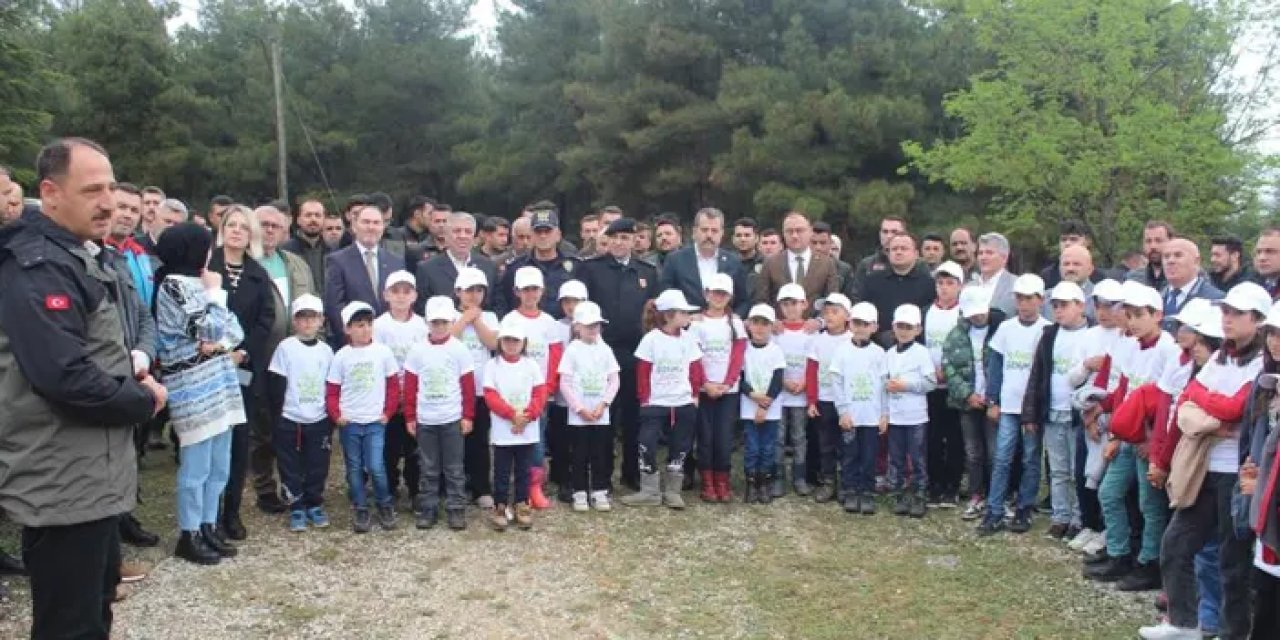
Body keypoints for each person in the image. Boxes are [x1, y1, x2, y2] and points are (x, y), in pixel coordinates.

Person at [0, 138, 166, 638]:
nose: (109, 202)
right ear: (50, 193)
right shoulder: (36, 264)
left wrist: (128, 375)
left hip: (91, 477)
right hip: (61, 480)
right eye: (92, 189)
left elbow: (87, 352)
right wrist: (142, 400)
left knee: (95, 611)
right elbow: (63, 376)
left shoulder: (71, 251)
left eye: (112, 187)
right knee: (69, 624)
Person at [1140, 282, 1270, 640]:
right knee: (1176, 544)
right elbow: (1188, 399)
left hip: (1237, 471)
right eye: (1225, 311)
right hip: (1206, 467)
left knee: (1233, 561)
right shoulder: (1219, 355)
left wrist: (1211, 408)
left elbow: (1238, 407)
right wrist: (1217, 416)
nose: (1226, 319)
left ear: (1257, 320)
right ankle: (1184, 623)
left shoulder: (1262, 362)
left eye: (1235, 313)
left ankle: (1233, 632)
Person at [153, 222, 244, 565]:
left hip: (220, 381)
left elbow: (234, 331)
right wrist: (216, 295)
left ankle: (209, 524)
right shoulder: (174, 286)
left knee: (220, 463)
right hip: (192, 388)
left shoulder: (201, 282)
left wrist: (215, 343)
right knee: (196, 466)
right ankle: (188, 532)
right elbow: (209, 326)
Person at [1086, 282, 1178, 583]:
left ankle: (1150, 562)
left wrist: (1153, 442)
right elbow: (1125, 392)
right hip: (1129, 435)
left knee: (1149, 504)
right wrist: (1115, 434)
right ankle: (1119, 553)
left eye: (1140, 314)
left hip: (1147, 439)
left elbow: (1167, 400)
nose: (1133, 320)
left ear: (1157, 315)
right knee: (1109, 493)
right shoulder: (1131, 344)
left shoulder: (1168, 350)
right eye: (1130, 314)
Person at [207, 205, 276, 539]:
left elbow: (266, 319)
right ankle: (208, 514)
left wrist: (243, 351)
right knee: (210, 441)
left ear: (252, 234)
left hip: (243, 369)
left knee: (238, 441)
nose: (236, 231)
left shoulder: (257, 273)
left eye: (243, 227)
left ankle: (231, 512)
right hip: (206, 367)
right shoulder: (206, 267)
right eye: (230, 225)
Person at [579, 218, 660, 490]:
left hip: (636, 353)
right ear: (607, 240)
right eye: (614, 238)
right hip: (602, 352)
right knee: (605, 417)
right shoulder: (591, 269)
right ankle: (602, 475)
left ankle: (631, 472)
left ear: (634, 241)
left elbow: (654, 313)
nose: (619, 242)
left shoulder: (647, 272)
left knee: (635, 417)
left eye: (625, 238)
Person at [977, 274, 1051, 535]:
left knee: (1031, 458)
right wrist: (993, 400)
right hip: (1008, 404)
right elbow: (995, 366)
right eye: (1020, 298)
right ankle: (994, 509)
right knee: (1001, 457)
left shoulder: (1047, 330)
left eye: (1029, 298)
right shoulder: (1007, 328)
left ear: (1040, 300)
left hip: (1031, 408)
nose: (1024, 304)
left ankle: (1024, 507)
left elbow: (1044, 374)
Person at [254, 203, 315, 513]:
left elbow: (310, 305)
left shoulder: (295, 264)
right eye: (263, 224)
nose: (269, 230)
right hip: (260, 357)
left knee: (291, 421)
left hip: (297, 357)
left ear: (285, 230)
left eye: (275, 226)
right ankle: (264, 486)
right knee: (262, 424)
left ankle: (294, 482)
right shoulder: (244, 263)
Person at [1020, 281, 1091, 540]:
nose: (1059, 311)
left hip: (1077, 413)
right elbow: (1037, 374)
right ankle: (1060, 516)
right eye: (1056, 306)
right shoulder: (1049, 335)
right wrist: (1030, 412)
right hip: (1052, 410)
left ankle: (1078, 516)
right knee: (1057, 469)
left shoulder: (1091, 333)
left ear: (1080, 306)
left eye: (1064, 306)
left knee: (1077, 469)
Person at [622, 290, 705, 509]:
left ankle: (672, 491)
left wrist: (695, 395)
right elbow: (643, 371)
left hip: (683, 403)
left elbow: (695, 368)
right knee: (646, 444)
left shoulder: (689, 339)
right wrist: (645, 399)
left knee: (680, 445)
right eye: (684, 312)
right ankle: (649, 490)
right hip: (656, 403)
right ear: (669, 315)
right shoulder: (651, 340)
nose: (688, 316)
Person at [326, 302, 401, 533]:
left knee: (376, 465)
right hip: (350, 422)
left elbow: (392, 386)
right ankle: (360, 507)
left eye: (368, 325)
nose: (365, 330)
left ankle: (384, 503)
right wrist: (336, 415)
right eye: (359, 325)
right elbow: (332, 389)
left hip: (375, 421)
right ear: (347, 329)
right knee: (354, 468)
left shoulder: (383, 352)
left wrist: (388, 413)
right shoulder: (341, 356)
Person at [403, 296, 476, 531]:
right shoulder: (417, 351)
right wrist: (410, 417)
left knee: (454, 468)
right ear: (427, 323)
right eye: (435, 322)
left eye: (444, 322)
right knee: (428, 466)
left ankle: (456, 508)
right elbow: (411, 387)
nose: (440, 327)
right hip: (426, 419)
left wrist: (468, 416)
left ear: (451, 321)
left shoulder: (459, 349)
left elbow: (467, 387)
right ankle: (428, 507)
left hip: (451, 418)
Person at [265, 294, 335, 533]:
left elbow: (332, 384)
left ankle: (314, 503)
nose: (307, 323)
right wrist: (278, 417)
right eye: (302, 318)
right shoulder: (285, 348)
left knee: (318, 464)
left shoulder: (326, 351)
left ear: (321, 320)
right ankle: (295, 504)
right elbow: (276, 384)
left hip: (318, 417)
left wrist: (330, 416)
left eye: (312, 318)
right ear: (294, 321)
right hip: (290, 417)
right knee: (289, 464)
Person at [499, 266, 564, 510]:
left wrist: (548, 388)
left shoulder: (549, 323)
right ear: (517, 291)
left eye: (534, 289)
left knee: (535, 440)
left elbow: (555, 356)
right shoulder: (510, 320)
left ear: (542, 291)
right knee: (511, 438)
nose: (530, 294)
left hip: (540, 395)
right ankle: (512, 484)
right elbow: (501, 356)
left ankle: (533, 486)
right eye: (525, 289)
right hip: (513, 395)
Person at [943, 286, 1006, 520]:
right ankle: (976, 494)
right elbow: (949, 366)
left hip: (992, 402)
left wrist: (994, 398)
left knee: (994, 452)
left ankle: (996, 495)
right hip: (968, 402)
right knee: (973, 452)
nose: (978, 316)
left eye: (981, 311)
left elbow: (1004, 368)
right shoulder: (957, 334)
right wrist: (967, 394)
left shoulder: (1001, 329)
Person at [484, 317, 549, 531]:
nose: (511, 344)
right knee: (501, 471)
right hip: (504, 430)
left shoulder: (531, 365)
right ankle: (500, 505)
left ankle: (522, 503)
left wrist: (528, 416)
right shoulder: (492, 366)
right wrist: (512, 415)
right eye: (507, 340)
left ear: (524, 343)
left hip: (527, 429)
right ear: (500, 341)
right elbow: (490, 396)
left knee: (524, 470)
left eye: (516, 340)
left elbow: (540, 393)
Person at [558, 301, 621, 512]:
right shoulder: (572, 351)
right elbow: (564, 383)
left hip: (600, 414)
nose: (593, 329)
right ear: (577, 327)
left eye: (597, 325)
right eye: (588, 325)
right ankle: (579, 491)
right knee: (579, 454)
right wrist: (579, 408)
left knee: (600, 453)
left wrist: (604, 404)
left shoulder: (606, 350)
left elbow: (614, 380)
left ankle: (599, 490)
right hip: (579, 417)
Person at [690, 273, 747, 503]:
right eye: (714, 292)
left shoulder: (735, 323)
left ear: (730, 296)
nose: (718, 297)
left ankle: (722, 480)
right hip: (704, 390)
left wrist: (727, 383)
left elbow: (738, 355)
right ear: (706, 294)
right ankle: (707, 480)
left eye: (723, 294)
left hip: (727, 391)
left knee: (723, 437)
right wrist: (705, 383)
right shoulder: (696, 323)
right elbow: (694, 357)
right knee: (705, 437)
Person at [373, 270, 427, 510]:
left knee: (415, 448)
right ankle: (390, 489)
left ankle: (416, 489)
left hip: (415, 399)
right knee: (389, 449)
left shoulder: (422, 325)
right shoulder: (378, 326)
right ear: (386, 295)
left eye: (407, 291)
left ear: (415, 295)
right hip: (388, 399)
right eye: (396, 291)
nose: (401, 297)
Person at [829, 302, 889, 514]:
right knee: (850, 454)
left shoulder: (879, 353)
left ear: (874, 327)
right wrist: (842, 411)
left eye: (866, 324)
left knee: (869, 455)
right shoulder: (842, 351)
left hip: (871, 416)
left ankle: (867, 491)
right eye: (857, 322)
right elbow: (836, 383)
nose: (861, 327)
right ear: (850, 324)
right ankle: (850, 489)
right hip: (851, 416)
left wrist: (884, 414)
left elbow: (884, 385)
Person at [323, 205, 407, 348]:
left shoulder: (396, 262)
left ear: (383, 227)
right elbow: (335, 307)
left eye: (376, 223)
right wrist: (353, 337)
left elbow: (403, 303)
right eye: (366, 222)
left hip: (390, 344)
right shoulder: (337, 261)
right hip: (354, 344)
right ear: (354, 226)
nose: (371, 227)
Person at [451, 267, 500, 509]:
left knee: (480, 440)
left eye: (479, 290)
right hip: (453, 391)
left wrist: (477, 319)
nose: (473, 295)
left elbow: (493, 343)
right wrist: (464, 319)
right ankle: (455, 485)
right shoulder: (447, 314)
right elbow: (445, 338)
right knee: (454, 441)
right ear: (458, 292)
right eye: (469, 290)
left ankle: (481, 487)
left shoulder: (489, 317)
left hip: (480, 388)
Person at [883, 304, 936, 518]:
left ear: (917, 330)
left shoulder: (921, 353)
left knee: (917, 457)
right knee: (896, 457)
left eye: (908, 327)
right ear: (893, 328)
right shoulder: (889, 354)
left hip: (915, 416)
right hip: (895, 416)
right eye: (900, 326)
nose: (903, 331)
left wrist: (906, 385)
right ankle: (898, 492)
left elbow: (930, 382)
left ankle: (919, 493)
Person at [806, 294, 856, 503]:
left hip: (848, 402)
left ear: (847, 316)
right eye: (826, 312)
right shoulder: (818, 340)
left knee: (848, 444)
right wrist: (811, 400)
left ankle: (847, 483)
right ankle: (828, 482)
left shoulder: (852, 340)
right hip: (825, 399)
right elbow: (811, 371)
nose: (829, 316)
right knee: (825, 444)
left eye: (835, 312)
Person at [923, 262, 965, 507]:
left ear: (960, 286)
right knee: (933, 438)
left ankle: (952, 485)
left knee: (955, 438)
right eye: (940, 283)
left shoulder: (963, 314)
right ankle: (934, 484)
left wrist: (951, 374)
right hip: (931, 386)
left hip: (955, 387)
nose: (945, 288)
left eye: (950, 283)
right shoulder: (926, 311)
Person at [660, 208, 751, 317]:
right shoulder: (675, 260)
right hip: (686, 328)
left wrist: (734, 318)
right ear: (694, 232)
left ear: (722, 233)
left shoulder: (734, 262)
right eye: (704, 230)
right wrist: (685, 318)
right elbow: (665, 297)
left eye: (714, 231)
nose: (709, 235)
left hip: (723, 329)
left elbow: (743, 301)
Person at [739, 304, 786, 504]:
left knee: (768, 447)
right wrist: (752, 395)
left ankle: (764, 482)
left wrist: (764, 405)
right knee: (752, 447)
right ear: (748, 325)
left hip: (770, 409)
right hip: (749, 406)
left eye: (764, 324)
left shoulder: (776, 350)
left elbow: (777, 380)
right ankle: (751, 483)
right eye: (755, 323)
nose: (759, 328)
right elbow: (739, 378)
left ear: (771, 326)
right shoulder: (744, 350)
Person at [496, 208, 579, 318]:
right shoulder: (516, 268)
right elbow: (504, 304)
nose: (543, 236)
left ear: (558, 235)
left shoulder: (576, 267)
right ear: (532, 235)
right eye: (538, 231)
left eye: (547, 231)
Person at [772, 283, 814, 497]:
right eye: (785, 304)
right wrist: (783, 382)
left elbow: (814, 362)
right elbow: (769, 361)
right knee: (778, 437)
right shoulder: (775, 332)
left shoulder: (811, 332)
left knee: (799, 436)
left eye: (794, 303)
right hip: (780, 394)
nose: (790, 308)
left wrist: (806, 382)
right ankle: (778, 477)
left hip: (801, 394)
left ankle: (799, 476)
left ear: (804, 304)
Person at [857, 234, 936, 345]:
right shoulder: (872, 281)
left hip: (915, 346)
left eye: (904, 248)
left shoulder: (928, 284)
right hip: (877, 345)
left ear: (916, 254)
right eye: (894, 249)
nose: (898, 252)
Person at [415, 211, 498, 312]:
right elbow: (422, 309)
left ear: (474, 237)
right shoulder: (427, 269)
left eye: (468, 232)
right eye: (457, 231)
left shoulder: (489, 266)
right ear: (445, 235)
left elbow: (497, 305)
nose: (462, 236)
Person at [755, 211, 839, 310]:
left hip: (815, 323)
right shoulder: (770, 263)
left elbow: (832, 300)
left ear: (810, 231)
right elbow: (761, 300)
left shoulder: (827, 263)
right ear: (783, 233)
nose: (794, 236)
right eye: (789, 231)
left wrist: (819, 321)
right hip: (779, 323)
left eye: (799, 230)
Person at [1160, 238, 1223, 331]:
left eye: (1178, 255)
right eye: (1166, 256)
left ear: (1196, 261)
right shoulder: (1154, 298)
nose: (1170, 261)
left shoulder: (1215, 300)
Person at [282, 198, 332, 288]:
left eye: (317, 215)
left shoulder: (334, 251)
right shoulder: (286, 251)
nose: (313, 219)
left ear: (324, 219)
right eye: (308, 215)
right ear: (298, 220)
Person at [972, 232, 1019, 317]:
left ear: (1004, 257)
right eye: (980, 253)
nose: (983, 257)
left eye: (989, 253)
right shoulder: (969, 287)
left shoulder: (1016, 285)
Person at [1040, 220, 1093, 289]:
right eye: (1063, 239)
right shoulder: (1047, 275)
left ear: (1087, 242)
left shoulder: (1100, 278)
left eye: (1073, 239)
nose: (1067, 243)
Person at [1126, 220, 1174, 290]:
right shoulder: (1134, 279)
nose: (1153, 246)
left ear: (1172, 242)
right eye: (1148, 241)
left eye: (1158, 241)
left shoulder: (1181, 278)